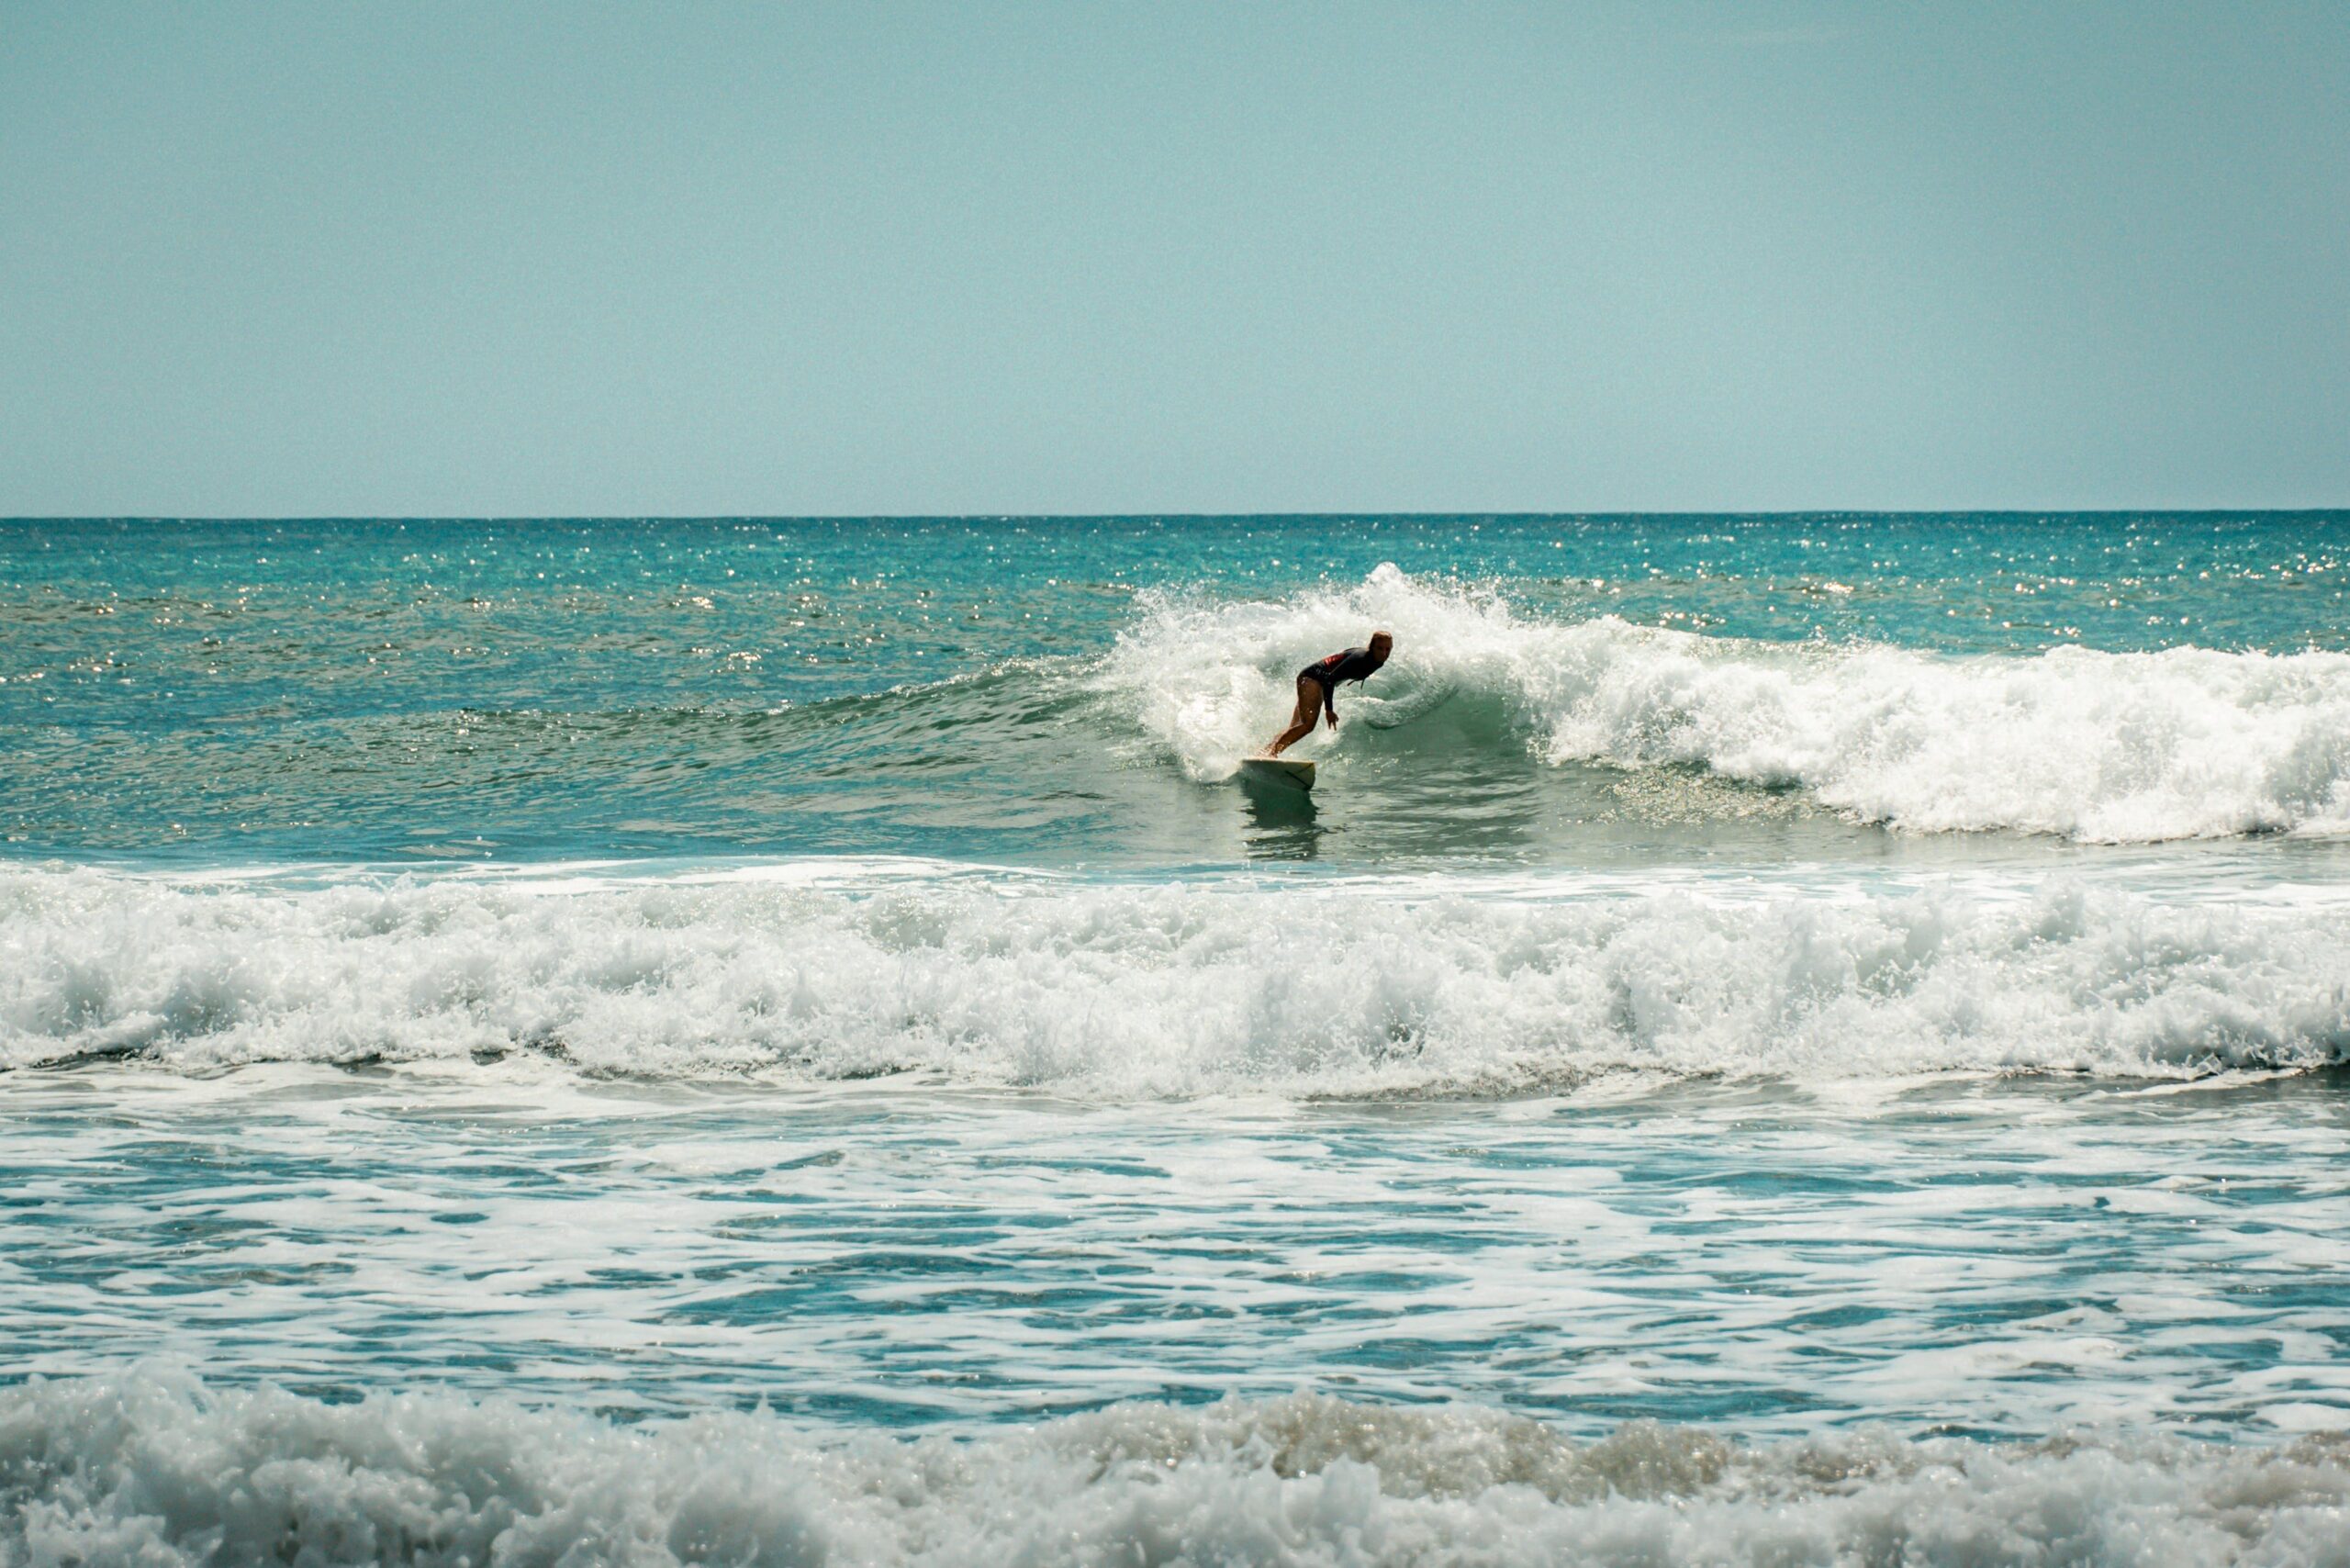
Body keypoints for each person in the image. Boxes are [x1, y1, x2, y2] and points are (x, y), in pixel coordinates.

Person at [1263, 632, 1393, 757]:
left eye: (1388, 649)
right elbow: (1330, 679)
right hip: (1311, 679)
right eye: (1380, 648)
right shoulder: (1360, 658)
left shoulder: (1376, 660)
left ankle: (1266, 750)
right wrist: (1329, 710)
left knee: (1296, 726)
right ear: (1371, 647)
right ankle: (1271, 753)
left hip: (1317, 683)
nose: (1384, 653)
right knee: (1307, 725)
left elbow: (1343, 656)